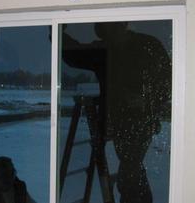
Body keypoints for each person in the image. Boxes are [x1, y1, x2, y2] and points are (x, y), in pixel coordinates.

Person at [61, 22, 171, 203]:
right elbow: (73, 53)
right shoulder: (105, 49)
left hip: (140, 122)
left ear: (123, 26)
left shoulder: (147, 46)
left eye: (111, 31)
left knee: (130, 172)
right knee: (132, 171)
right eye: (106, 33)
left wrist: (147, 99)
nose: (110, 37)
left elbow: (168, 80)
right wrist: (57, 32)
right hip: (119, 123)